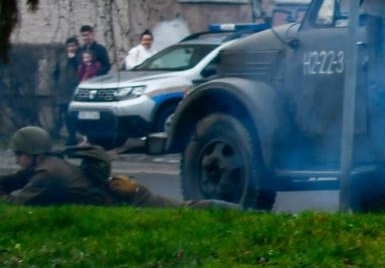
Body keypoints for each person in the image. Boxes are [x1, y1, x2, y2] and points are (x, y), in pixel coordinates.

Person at [2, 127, 239, 209]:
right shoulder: (47, 164)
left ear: (33, 153)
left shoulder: (46, 174)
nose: (17, 160)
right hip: (126, 197)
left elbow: (14, 202)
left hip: (133, 201)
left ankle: (241, 211)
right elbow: (15, 180)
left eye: (19, 155)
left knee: (188, 209)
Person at [53, 38, 80, 139]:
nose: (71, 48)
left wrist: (73, 60)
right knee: (65, 115)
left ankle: (76, 136)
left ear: (77, 46)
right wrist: (57, 83)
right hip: (63, 91)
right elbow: (56, 72)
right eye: (69, 46)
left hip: (74, 90)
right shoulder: (61, 58)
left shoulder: (80, 57)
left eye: (73, 45)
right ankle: (71, 136)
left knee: (73, 115)